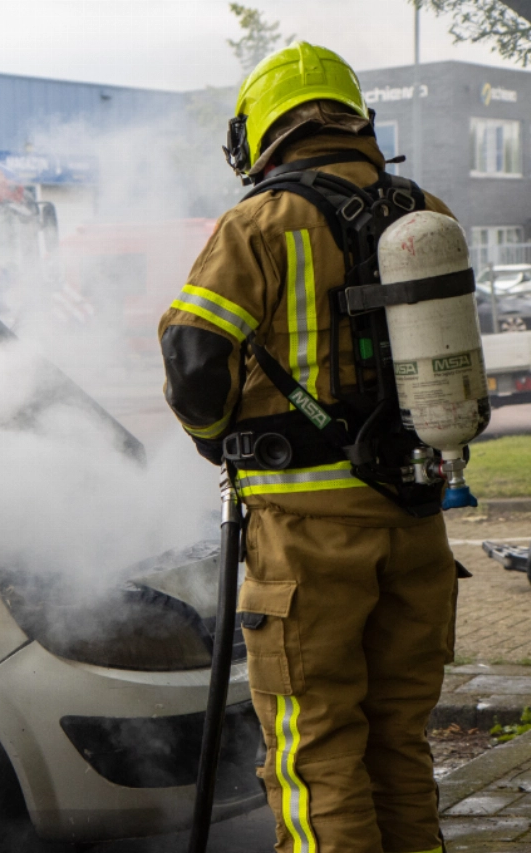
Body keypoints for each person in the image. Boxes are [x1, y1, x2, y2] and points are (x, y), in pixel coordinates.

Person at [158, 42, 460, 853]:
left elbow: (193, 356)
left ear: (259, 133)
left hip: (306, 539)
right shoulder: (424, 210)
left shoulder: (257, 223)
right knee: (399, 742)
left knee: (316, 752)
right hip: (418, 522)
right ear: (355, 118)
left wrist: (223, 441)